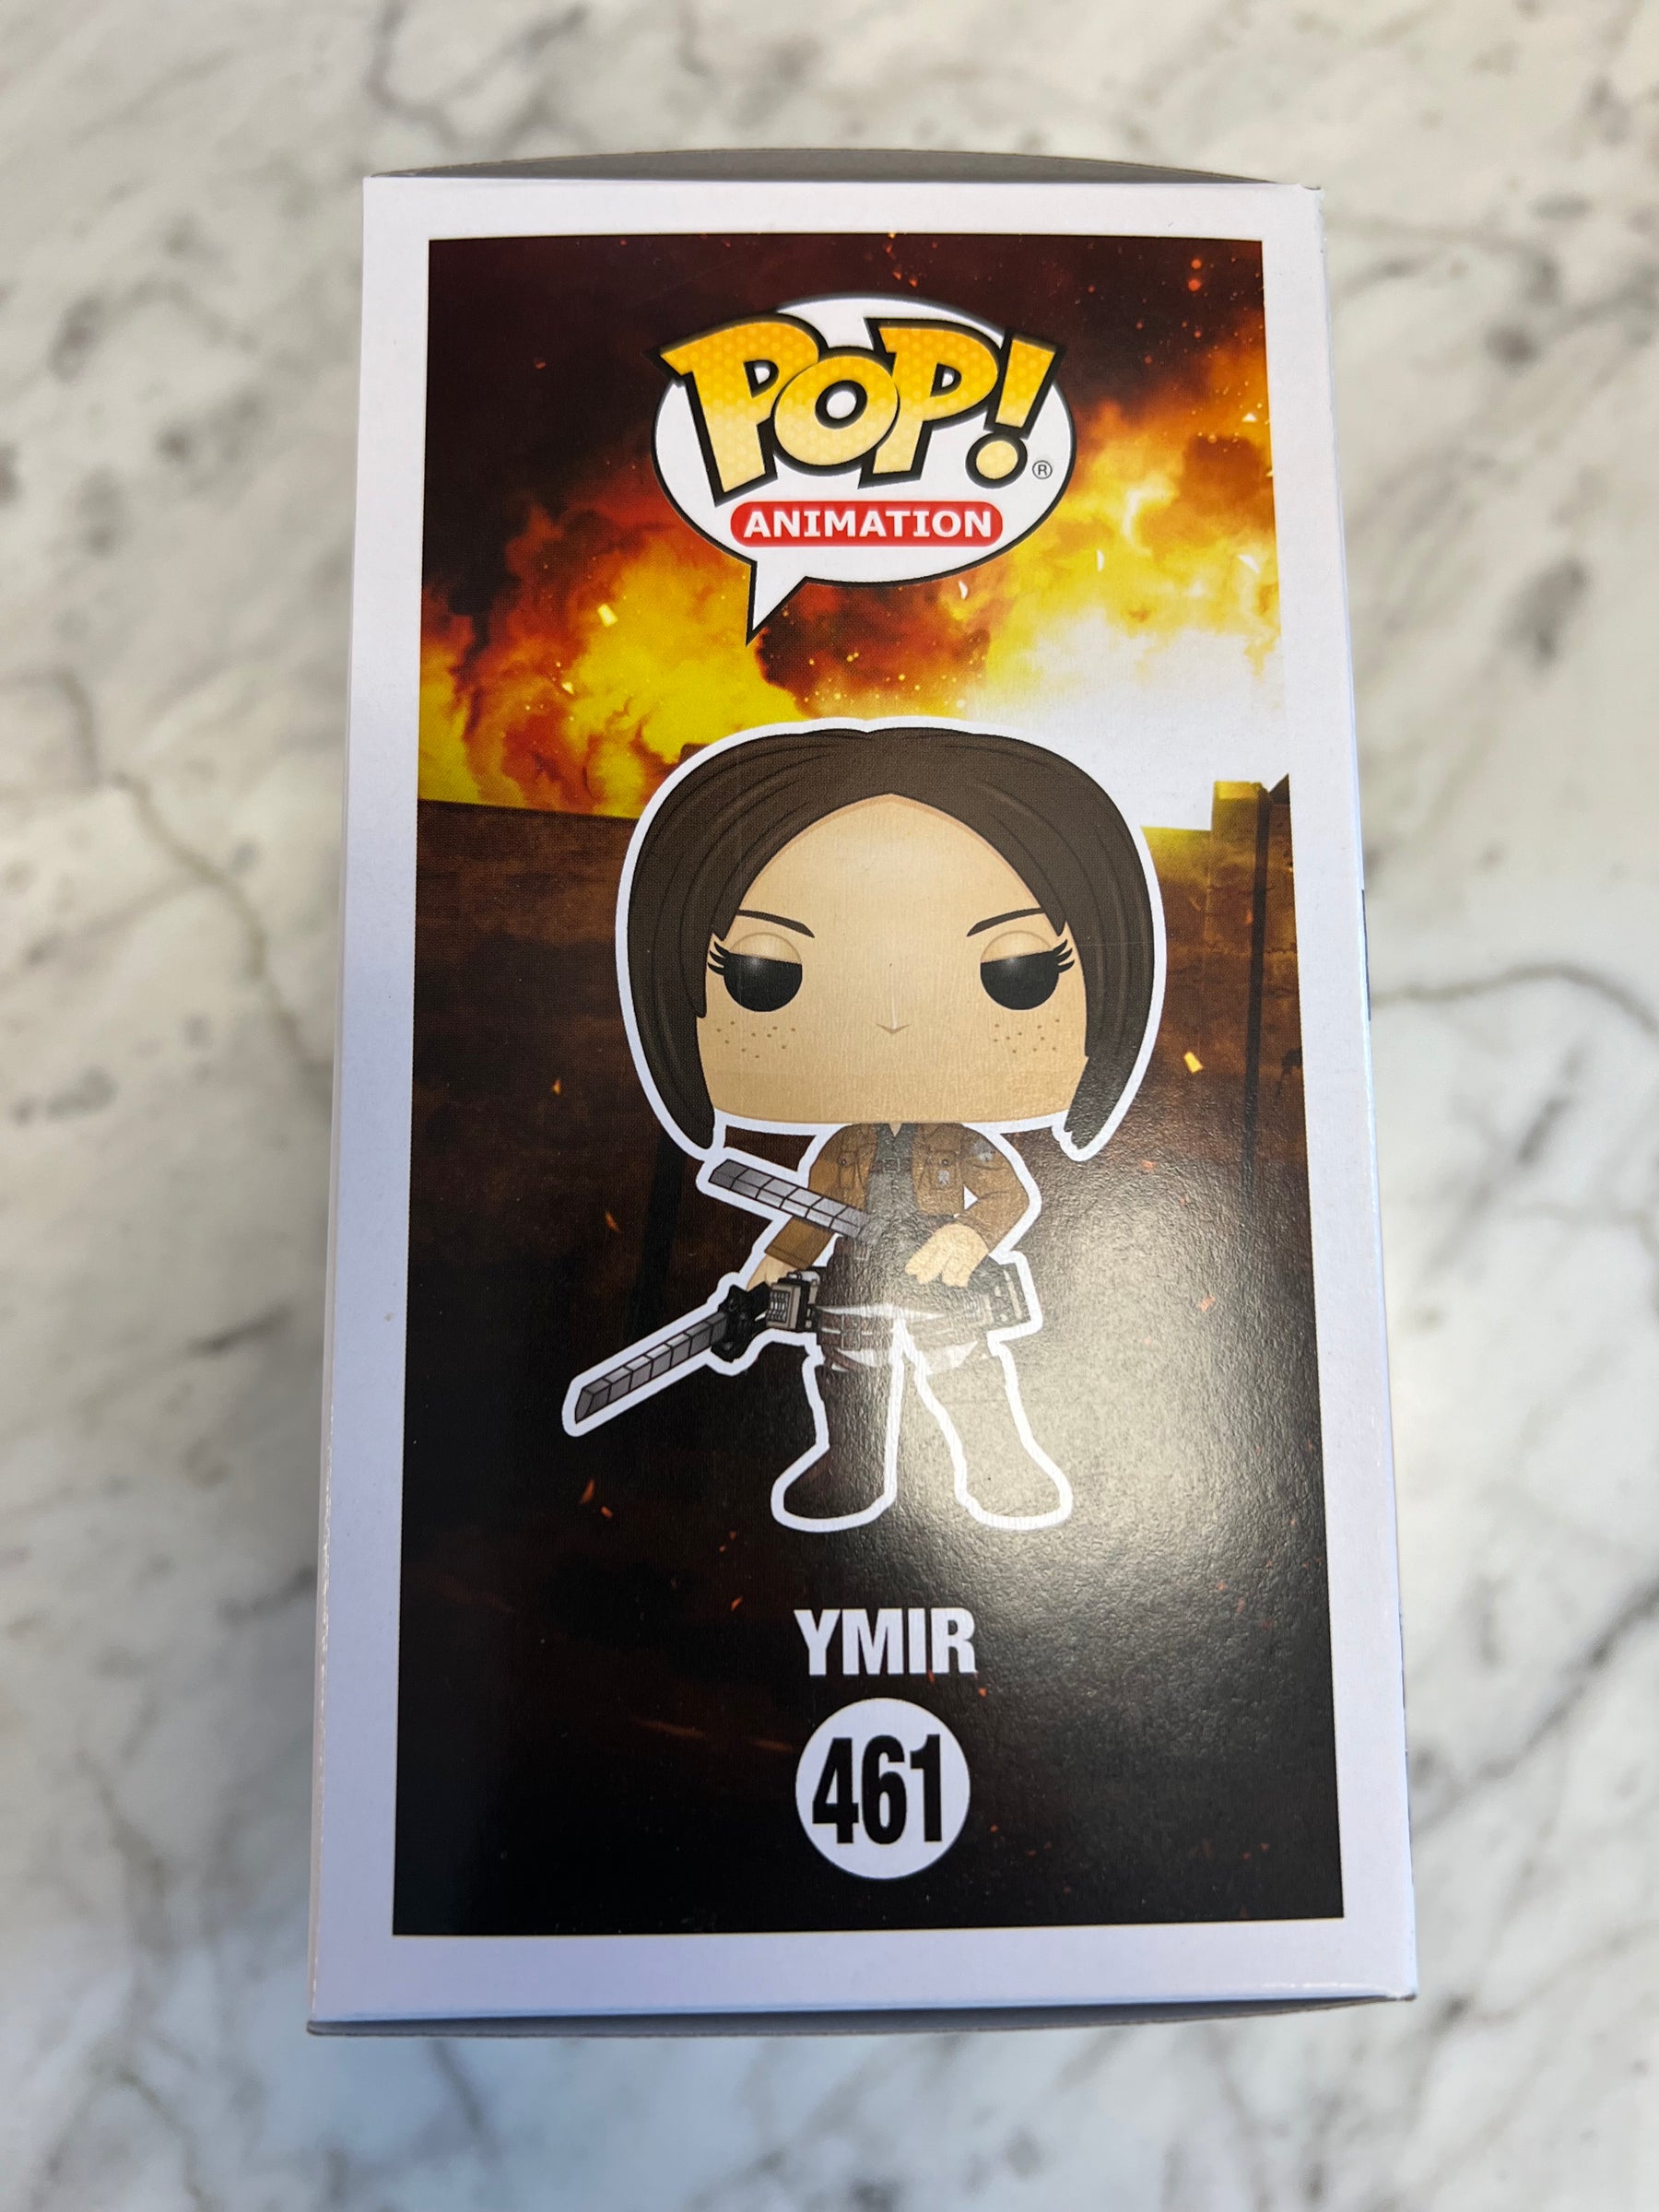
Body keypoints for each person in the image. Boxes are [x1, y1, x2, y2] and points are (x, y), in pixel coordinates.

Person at [615, 721, 1161, 1533]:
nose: (896, 1022)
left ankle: (1001, 1469)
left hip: (941, 1273)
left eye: (1017, 973)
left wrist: (969, 1236)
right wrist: (760, 1284)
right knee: (850, 1375)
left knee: (965, 1371)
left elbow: (1008, 1193)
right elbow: (804, 1222)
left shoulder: (957, 1142)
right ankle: (850, 1467)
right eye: (767, 976)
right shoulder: (843, 1148)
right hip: (855, 1279)